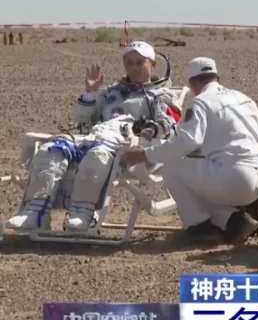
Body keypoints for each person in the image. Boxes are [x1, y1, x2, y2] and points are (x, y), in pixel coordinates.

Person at [6, 41, 181, 231]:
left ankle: (83, 213)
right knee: (51, 149)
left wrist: (149, 130)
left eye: (140, 62)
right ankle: (35, 212)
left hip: (130, 147)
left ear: (152, 65)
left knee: (98, 154)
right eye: (129, 63)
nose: (134, 68)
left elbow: (169, 125)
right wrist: (90, 94)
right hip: (96, 136)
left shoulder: (159, 95)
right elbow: (84, 121)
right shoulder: (113, 92)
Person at [121, 57, 258, 244]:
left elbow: (187, 142)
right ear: (216, 77)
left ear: (193, 83)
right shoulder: (243, 98)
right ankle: (234, 220)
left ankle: (200, 227)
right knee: (200, 178)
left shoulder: (201, 102)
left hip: (234, 178)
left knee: (172, 168)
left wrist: (145, 154)